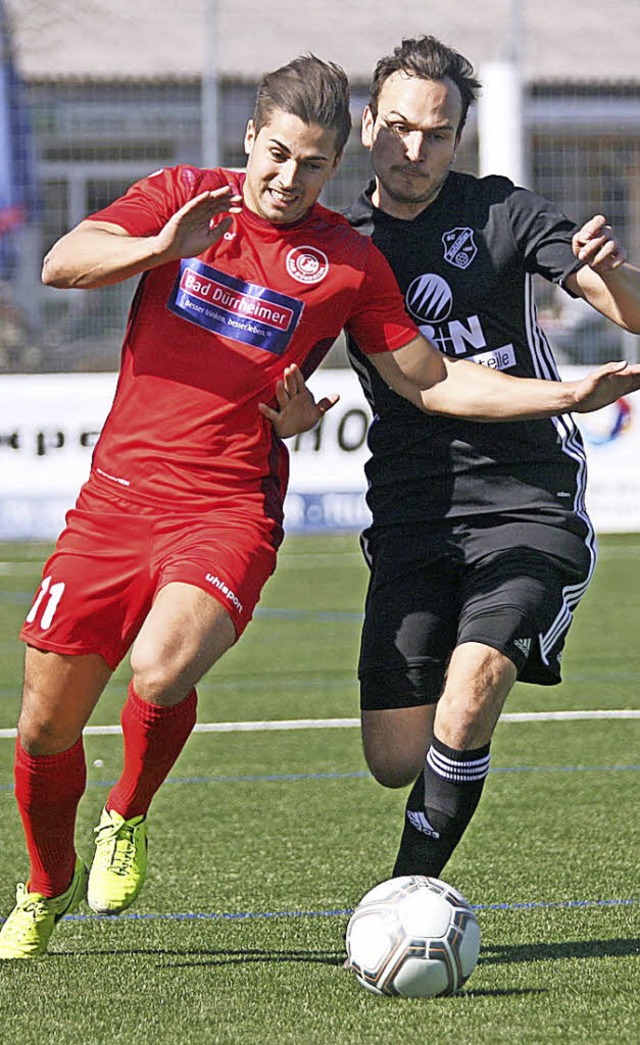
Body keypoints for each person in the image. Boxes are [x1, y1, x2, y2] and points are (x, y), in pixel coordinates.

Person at [1, 50, 638, 963]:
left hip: (270, 505)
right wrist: (160, 249)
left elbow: (431, 379)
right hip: (134, 502)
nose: (287, 176)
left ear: (336, 163)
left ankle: (159, 820)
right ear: (254, 139)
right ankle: (42, 884)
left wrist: (566, 393)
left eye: (310, 164)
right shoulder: (191, 197)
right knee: (47, 726)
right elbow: (66, 261)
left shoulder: (360, 255)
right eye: (276, 154)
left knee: (163, 669)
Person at [336, 36, 640, 885]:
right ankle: (445, 767)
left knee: (471, 688)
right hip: (410, 511)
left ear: (459, 138)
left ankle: (404, 895)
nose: (414, 149)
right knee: (396, 755)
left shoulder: (503, 213)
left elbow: (629, 311)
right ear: (368, 127)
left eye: (436, 133)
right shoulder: (340, 244)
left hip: (525, 500)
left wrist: (612, 277)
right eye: (398, 128)